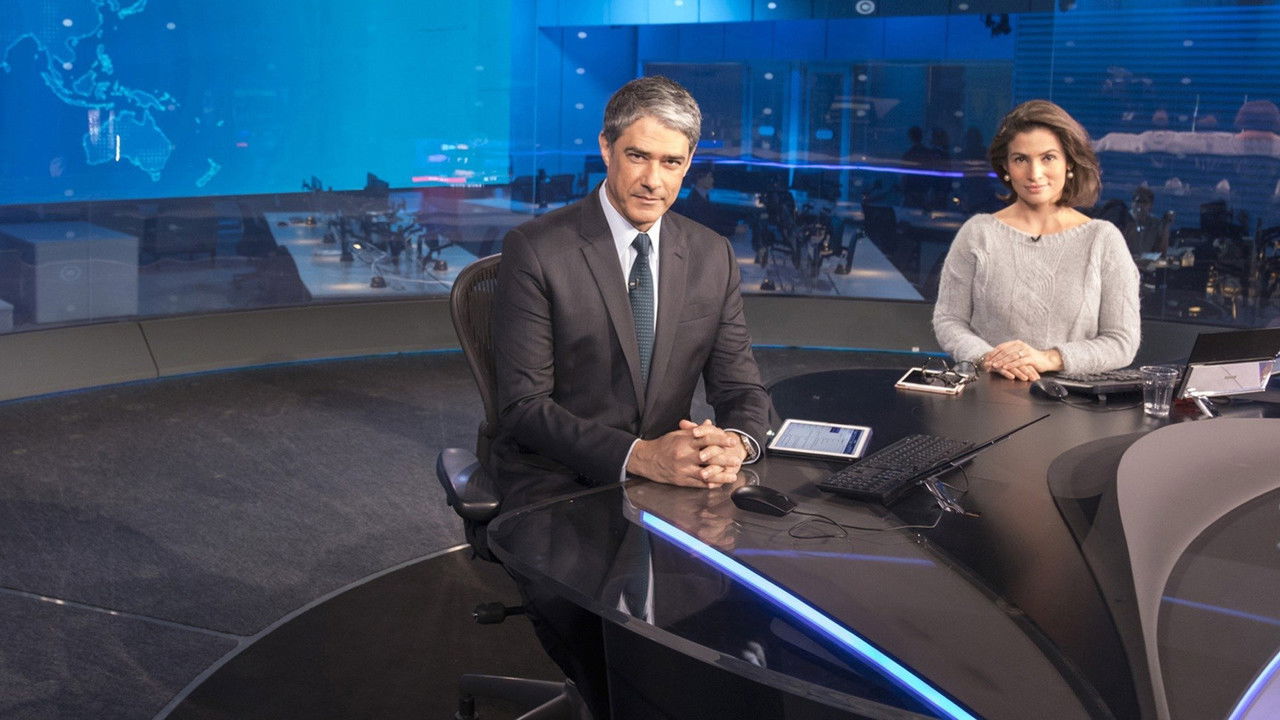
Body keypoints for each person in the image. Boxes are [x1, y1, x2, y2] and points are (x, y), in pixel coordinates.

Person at [491, 75, 773, 716]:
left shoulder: (711, 254)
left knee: (748, 607)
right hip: (558, 479)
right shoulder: (537, 249)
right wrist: (641, 456)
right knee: (603, 634)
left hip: (673, 481)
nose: (653, 180)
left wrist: (737, 442)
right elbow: (523, 408)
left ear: (689, 162)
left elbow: (740, 386)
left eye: (671, 162)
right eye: (638, 156)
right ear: (606, 148)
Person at [932, 100, 1140, 381]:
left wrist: (1048, 358)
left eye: (1048, 158)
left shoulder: (1103, 240)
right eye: (1021, 159)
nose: (1034, 174)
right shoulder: (977, 233)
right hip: (987, 393)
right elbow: (949, 320)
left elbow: (1121, 342)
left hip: (1072, 400)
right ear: (1006, 167)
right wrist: (990, 359)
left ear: (1069, 162)